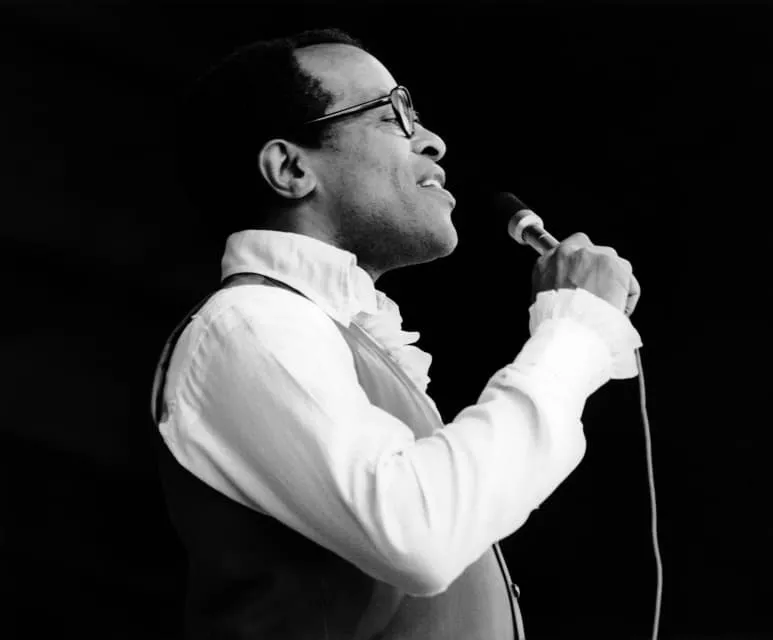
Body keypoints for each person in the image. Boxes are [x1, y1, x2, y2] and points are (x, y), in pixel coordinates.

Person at [151, 27, 642, 640]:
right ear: (291, 168)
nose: (433, 141)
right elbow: (419, 534)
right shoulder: (249, 322)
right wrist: (574, 328)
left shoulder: (326, 333)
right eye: (393, 115)